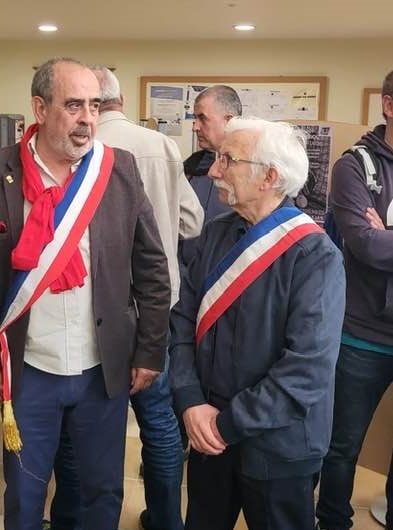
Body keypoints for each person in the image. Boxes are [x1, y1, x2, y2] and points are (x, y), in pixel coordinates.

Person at [0, 57, 171, 530]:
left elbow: (151, 267)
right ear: (39, 107)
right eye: (73, 105)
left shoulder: (119, 170)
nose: (87, 119)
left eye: (94, 105)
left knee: (102, 490)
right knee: (26, 493)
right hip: (29, 369)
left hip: (103, 369)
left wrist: (150, 349)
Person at [170, 117, 345, 530]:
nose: (213, 170)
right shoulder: (214, 235)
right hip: (207, 433)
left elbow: (306, 370)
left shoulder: (315, 257)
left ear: (269, 175)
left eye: (226, 160)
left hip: (279, 448)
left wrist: (224, 425)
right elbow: (181, 322)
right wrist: (191, 400)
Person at [48, 65, 204, 530]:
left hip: (92, 310)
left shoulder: (71, 150)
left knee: (81, 429)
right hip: (156, 307)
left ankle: (73, 518)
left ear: (98, 103)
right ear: (122, 99)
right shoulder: (161, 145)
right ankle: (165, 518)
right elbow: (191, 223)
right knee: (159, 423)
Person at [316, 70, 393, 530]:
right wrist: (377, 238)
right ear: (388, 105)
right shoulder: (354, 166)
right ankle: (332, 519)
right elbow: (363, 244)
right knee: (342, 444)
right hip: (362, 336)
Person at [180, 85, 240, 267]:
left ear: (228, 120)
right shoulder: (192, 168)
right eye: (195, 118)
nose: (195, 127)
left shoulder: (251, 174)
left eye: (202, 119)